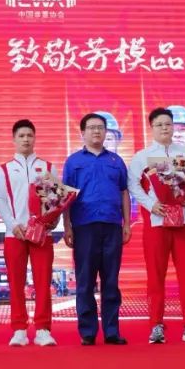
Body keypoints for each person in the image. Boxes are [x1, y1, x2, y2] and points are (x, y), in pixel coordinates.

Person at [128, 108, 185, 345]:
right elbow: (133, 186)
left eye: (168, 124)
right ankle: (156, 325)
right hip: (157, 223)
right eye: (160, 124)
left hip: (184, 222)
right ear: (152, 128)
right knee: (155, 276)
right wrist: (151, 205)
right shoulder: (142, 156)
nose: (165, 128)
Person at [63, 113, 132, 346]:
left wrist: (126, 223)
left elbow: (124, 192)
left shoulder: (116, 161)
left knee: (111, 280)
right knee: (85, 280)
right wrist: (67, 226)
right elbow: (64, 196)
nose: (96, 131)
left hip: (112, 225)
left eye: (101, 127)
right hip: (84, 226)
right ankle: (88, 331)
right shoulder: (73, 162)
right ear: (82, 132)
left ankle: (112, 331)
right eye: (92, 128)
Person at [0, 119, 58, 348]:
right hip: (16, 234)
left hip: (42, 235)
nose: (26, 139)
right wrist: (13, 225)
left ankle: (42, 329)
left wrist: (52, 220)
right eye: (21, 136)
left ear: (35, 138)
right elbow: (0, 199)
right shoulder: (3, 169)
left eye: (29, 135)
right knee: (16, 283)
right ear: (14, 139)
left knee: (43, 282)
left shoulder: (48, 167)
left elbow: (55, 199)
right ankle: (19, 329)